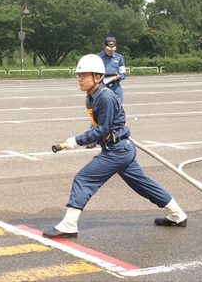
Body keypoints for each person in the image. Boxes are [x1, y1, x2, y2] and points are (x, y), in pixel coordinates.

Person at [42, 54, 187, 239]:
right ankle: (177, 215)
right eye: (78, 75)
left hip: (118, 149)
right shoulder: (92, 97)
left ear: (97, 77)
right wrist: (92, 138)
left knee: (83, 178)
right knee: (142, 184)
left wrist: (77, 140)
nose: (79, 79)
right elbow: (100, 126)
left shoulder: (105, 98)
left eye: (84, 75)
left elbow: (102, 129)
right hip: (118, 148)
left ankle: (69, 225)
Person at [97, 36, 126, 103]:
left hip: (115, 86)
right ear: (104, 46)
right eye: (108, 49)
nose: (110, 51)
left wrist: (120, 76)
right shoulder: (98, 57)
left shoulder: (119, 58)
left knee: (118, 104)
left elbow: (123, 74)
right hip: (102, 86)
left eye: (112, 49)